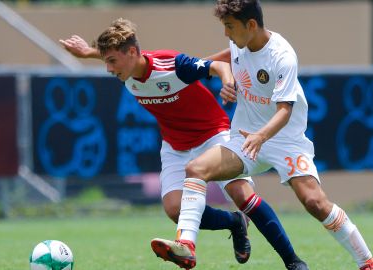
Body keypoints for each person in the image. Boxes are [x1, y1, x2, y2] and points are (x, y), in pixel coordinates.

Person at [61, 18, 308, 270]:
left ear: (132, 52)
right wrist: (87, 52)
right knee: (174, 209)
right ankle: (234, 222)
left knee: (242, 195)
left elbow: (218, 66)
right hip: (175, 145)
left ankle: (293, 261)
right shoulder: (125, 69)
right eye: (106, 61)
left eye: (111, 62)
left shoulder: (172, 64)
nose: (109, 69)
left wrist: (227, 81)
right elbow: (115, 56)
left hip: (213, 134)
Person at [152, 1, 373, 270]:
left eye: (229, 26)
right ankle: (187, 247)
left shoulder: (282, 55)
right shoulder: (239, 42)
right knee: (196, 169)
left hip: (285, 140)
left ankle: (367, 262)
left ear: (251, 25)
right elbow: (221, 59)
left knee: (315, 202)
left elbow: (285, 110)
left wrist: (261, 136)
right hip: (244, 138)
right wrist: (215, 76)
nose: (226, 33)